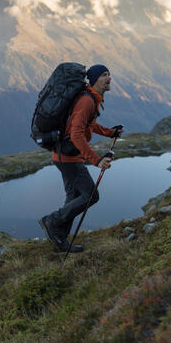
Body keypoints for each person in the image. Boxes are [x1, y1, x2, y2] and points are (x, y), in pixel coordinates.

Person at [39, 64, 123, 253]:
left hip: (64, 155)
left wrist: (110, 133)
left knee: (74, 197)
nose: (108, 78)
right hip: (69, 158)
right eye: (103, 75)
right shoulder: (87, 101)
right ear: (94, 79)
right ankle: (52, 220)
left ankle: (59, 240)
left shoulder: (93, 98)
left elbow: (89, 125)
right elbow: (77, 134)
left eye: (109, 74)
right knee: (91, 196)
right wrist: (96, 160)